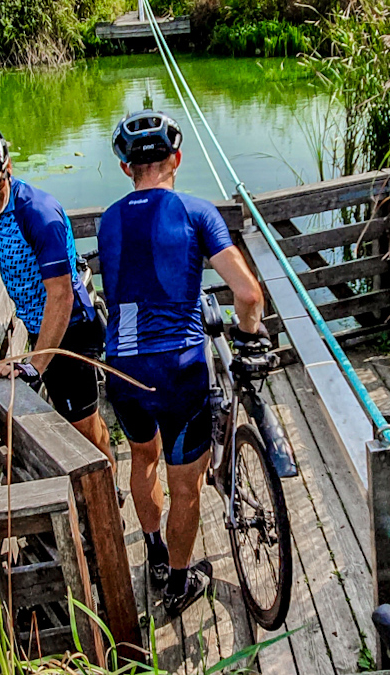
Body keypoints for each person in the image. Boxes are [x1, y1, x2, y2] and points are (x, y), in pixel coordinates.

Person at [97, 110, 267, 617]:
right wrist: (248, 335)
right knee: (185, 484)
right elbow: (248, 293)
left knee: (142, 459)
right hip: (178, 367)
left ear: (127, 168)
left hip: (123, 368)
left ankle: (152, 551)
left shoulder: (108, 220)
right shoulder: (197, 212)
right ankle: (177, 583)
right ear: (177, 159)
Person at [0, 119, 115, 475]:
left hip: (70, 330)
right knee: (76, 424)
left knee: (83, 430)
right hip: (44, 329)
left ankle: (107, 493)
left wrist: (35, 364)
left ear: (8, 167)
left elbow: (61, 295)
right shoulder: (1, 211)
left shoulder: (36, 214)